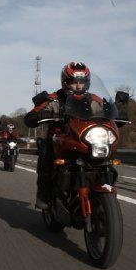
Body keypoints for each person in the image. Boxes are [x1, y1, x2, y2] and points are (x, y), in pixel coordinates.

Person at [24, 61, 92, 209]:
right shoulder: (54, 98)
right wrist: (40, 114)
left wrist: (119, 114)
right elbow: (30, 116)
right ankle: (43, 195)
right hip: (59, 138)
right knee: (46, 157)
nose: (78, 86)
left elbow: (107, 112)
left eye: (82, 82)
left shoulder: (93, 99)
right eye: (74, 82)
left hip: (84, 139)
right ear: (66, 82)